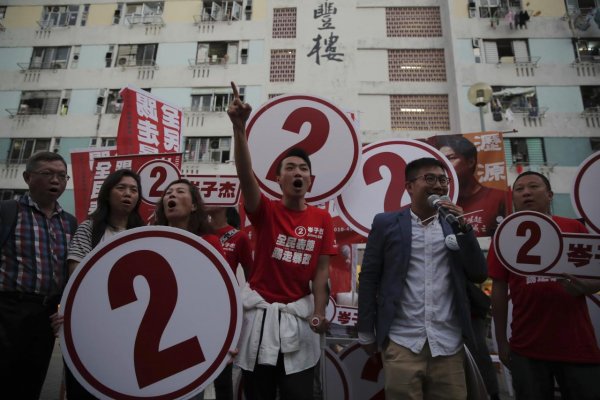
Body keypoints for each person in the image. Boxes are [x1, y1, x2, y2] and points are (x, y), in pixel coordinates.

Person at [227, 81, 337, 400]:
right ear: (278, 178)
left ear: (310, 180)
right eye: (289, 167)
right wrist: (238, 129)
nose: (296, 172)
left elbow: (321, 271)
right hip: (259, 322)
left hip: (298, 322)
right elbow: (245, 173)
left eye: (303, 168)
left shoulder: (322, 219)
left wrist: (318, 310)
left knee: (298, 394)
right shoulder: (265, 211)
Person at [357, 157, 488, 400]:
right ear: (409, 186)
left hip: (448, 344)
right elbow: (369, 279)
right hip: (402, 340)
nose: (438, 185)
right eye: (429, 179)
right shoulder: (386, 223)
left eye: (443, 180)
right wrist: (366, 329)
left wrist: (465, 229)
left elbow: (479, 273)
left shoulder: (454, 225)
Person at [489, 171, 600, 399]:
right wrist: (501, 342)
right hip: (526, 348)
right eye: (519, 189)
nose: (526, 193)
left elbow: (596, 274)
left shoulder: (574, 228)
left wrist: (588, 287)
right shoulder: (503, 236)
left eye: (533, 187)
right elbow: (498, 290)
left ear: (549, 194)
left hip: (578, 345)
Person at [51, 169, 144, 399]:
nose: (128, 194)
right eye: (121, 188)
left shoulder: (144, 234)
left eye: (133, 190)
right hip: (90, 327)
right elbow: (77, 277)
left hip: (131, 331)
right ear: (107, 193)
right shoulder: (89, 229)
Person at [0, 151, 77, 399]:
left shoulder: (70, 223)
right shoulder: (7, 212)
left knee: (32, 381)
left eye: (62, 176)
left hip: (45, 315)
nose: (56, 180)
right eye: (47, 174)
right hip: (8, 310)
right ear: (27, 177)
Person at [154, 179, 230, 400]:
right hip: (154, 337)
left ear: (195, 206)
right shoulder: (149, 241)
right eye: (168, 193)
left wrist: (224, 338)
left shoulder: (209, 243)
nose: (172, 196)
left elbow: (220, 295)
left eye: (179, 191)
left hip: (190, 339)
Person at [207, 205, 254, 400]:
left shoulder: (239, 237)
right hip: (194, 305)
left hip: (224, 309)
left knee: (223, 375)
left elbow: (251, 274)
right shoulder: (198, 232)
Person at [434, 135, 506, 236]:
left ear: (470, 161)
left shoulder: (499, 197)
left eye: (450, 158)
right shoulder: (439, 203)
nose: (445, 165)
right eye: (441, 161)